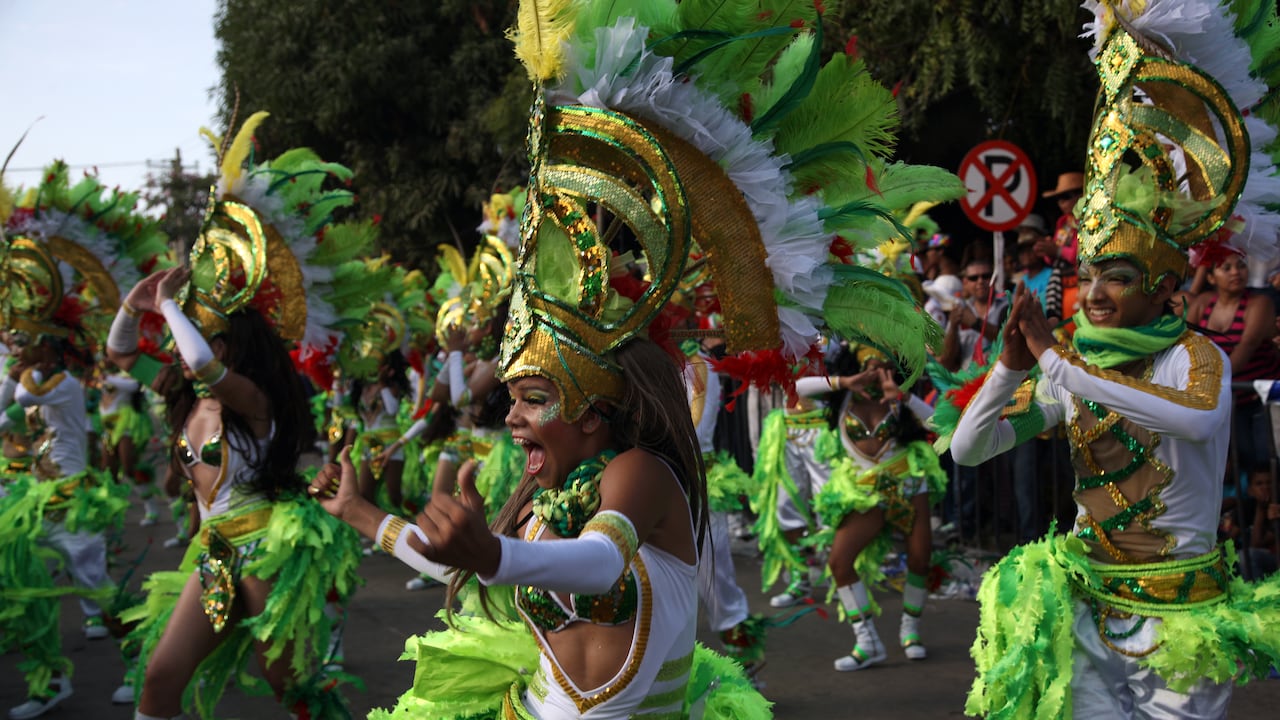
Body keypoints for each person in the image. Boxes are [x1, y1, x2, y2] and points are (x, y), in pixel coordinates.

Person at [954, 3, 1280, 716]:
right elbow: (969, 448)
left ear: (1163, 289)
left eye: (1118, 278)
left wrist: (1058, 364)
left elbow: (1197, 422)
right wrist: (1010, 368)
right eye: (1089, 275)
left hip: (1183, 625)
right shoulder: (1070, 365)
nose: (1095, 294)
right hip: (1088, 611)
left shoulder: (1195, 357)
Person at [113, 118, 373, 720]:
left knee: (292, 688)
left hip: (263, 551)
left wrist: (169, 306)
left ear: (230, 345)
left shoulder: (252, 401)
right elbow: (120, 353)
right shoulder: (188, 398)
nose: (184, 345)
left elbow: (202, 363)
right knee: (160, 680)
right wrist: (135, 302)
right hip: (213, 553)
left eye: (199, 332)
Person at [0, 163, 167, 719]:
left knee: (98, 590)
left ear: (50, 348)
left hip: (73, 500)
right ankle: (50, 682)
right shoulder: (33, 377)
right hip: (35, 500)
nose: (18, 347)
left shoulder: (65, 385)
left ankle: (138, 664)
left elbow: (20, 400)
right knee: (21, 588)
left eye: (27, 341)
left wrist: (15, 367)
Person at [792, 348, 946, 671]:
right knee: (839, 562)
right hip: (866, 494)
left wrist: (903, 398)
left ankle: (910, 631)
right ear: (858, 366)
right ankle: (868, 642)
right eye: (870, 367)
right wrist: (844, 382)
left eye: (884, 367)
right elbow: (797, 387)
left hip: (908, 486)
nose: (877, 374)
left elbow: (941, 423)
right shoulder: (843, 399)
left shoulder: (899, 401)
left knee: (920, 559)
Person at [1187, 250, 1280, 480]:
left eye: (1241, 266)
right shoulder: (1202, 303)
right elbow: (1186, 347)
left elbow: (1247, 346)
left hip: (1259, 400)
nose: (1236, 272)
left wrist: (1208, 381)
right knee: (1239, 462)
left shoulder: (1260, 303)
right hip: (1226, 399)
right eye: (1226, 268)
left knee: (1266, 460)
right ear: (1210, 277)